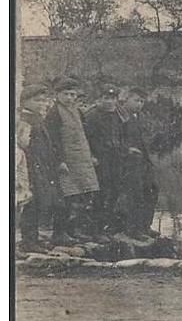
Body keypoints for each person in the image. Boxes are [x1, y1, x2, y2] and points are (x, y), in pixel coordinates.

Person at [45, 77, 101, 242]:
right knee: (67, 197)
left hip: (81, 160)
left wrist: (90, 155)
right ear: (57, 94)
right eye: (66, 94)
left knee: (82, 195)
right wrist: (59, 161)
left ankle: (73, 230)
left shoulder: (77, 111)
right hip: (66, 162)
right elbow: (53, 140)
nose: (70, 98)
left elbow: (83, 135)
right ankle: (59, 233)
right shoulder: (54, 113)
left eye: (73, 94)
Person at [17, 84, 57, 252]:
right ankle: (29, 241)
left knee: (39, 201)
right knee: (31, 204)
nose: (42, 103)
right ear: (25, 101)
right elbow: (24, 145)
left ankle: (33, 238)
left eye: (43, 100)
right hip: (31, 166)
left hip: (41, 165)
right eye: (37, 100)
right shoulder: (25, 121)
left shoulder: (37, 119)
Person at [118, 86, 160, 239]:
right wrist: (126, 150)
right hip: (128, 163)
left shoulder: (139, 116)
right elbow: (115, 138)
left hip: (144, 162)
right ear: (127, 99)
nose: (139, 104)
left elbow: (146, 138)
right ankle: (133, 229)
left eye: (142, 101)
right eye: (136, 100)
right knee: (134, 195)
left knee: (152, 190)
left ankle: (145, 226)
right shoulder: (120, 116)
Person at [84, 84, 126, 235]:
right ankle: (96, 230)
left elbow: (121, 136)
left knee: (114, 192)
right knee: (100, 194)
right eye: (106, 98)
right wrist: (91, 156)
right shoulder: (92, 115)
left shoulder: (117, 115)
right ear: (100, 99)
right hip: (99, 160)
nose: (109, 102)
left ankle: (108, 226)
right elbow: (85, 139)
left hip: (115, 159)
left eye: (112, 98)